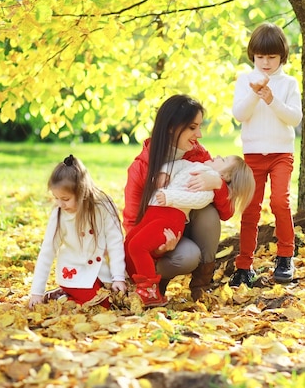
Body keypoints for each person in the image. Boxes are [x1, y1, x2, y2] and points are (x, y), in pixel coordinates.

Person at [123, 94, 234, 302]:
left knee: (209, 212)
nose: (199, 134)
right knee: (186, 257)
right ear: (172, 127)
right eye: (193, 128)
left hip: (186, 225)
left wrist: (218, 185)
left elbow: (227, 213)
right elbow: (131, 221)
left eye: (199, 127)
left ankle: (202, 285)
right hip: (158, 232)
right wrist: (157, 249)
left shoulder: (199, 157)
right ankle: (155, 283)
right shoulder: (141, 167)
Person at [126, 155, 255, 306]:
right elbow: (180, 164)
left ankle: (189, 286)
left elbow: (202, 201)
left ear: (224, 175)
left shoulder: (208, 175)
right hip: (153, 212)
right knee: (131, 244)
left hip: (170, 217)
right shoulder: (191, 163)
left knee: (137, 246)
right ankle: (133, 284)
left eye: (224, 160)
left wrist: (217, 184)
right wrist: (165, 172)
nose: (218, 156)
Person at [230, 22, 303, 287]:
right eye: (260, 57)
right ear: (253, 56)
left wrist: (271, 99)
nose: (266, 62)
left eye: (271, 57)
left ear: (282, 56)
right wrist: (255, 94)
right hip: (253, 155)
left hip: (281, 152)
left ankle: (285, 255)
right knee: (250, 209)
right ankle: (244, 265)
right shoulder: (244, 79)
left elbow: (294, 118)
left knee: (280, 202)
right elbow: (240, 114)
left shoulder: (288, 83)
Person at [28, 155, 127, 309]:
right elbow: (47, 252)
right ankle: (61, 297)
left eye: (65, 199)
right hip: (75, 272)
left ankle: (66, 297)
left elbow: (115, 243)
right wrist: (37, 292)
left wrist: (118, 277)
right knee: (99, 305)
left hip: (101, 271)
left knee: (116, 301)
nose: (60, 204)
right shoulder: (59, 215)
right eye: (56, 198)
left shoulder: (103, 206)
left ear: (81, 192)